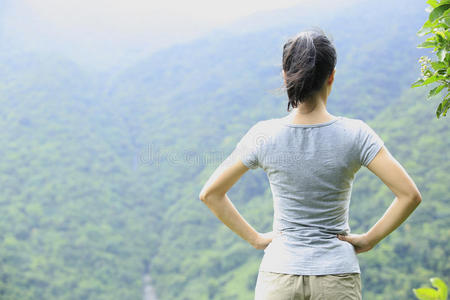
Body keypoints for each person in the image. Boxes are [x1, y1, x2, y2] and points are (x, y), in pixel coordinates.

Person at [198, 27, 422, 300]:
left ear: (285, 75)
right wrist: (369, 239)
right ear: (332, 76)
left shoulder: (263, 135)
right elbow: (409, 195)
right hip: (337, 277)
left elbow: (211, 194)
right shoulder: (356, 134)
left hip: (278, 276)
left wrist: (256, 239)